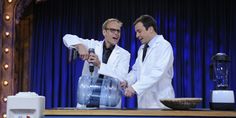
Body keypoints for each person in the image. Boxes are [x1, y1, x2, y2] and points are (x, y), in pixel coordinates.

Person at [63, 18, 130, 108]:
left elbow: (121, 77)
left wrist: (99, 64)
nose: (116, 33)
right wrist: (79, 46)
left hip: (109, 103)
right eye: (112, 30)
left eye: (118, 31)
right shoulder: (92, 45)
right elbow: (67, 37)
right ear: (104, 32)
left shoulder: (124, 54)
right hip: (86, 101)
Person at [121, 15, 175, 109]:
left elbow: (157, 73)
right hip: (144, 103)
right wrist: (127, 81)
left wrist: (134, 88)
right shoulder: (142, 49)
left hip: (161, 103)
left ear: (150, 29)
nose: (137, 35)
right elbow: (136, 70)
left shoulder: (164, 46)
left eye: (139, 31)